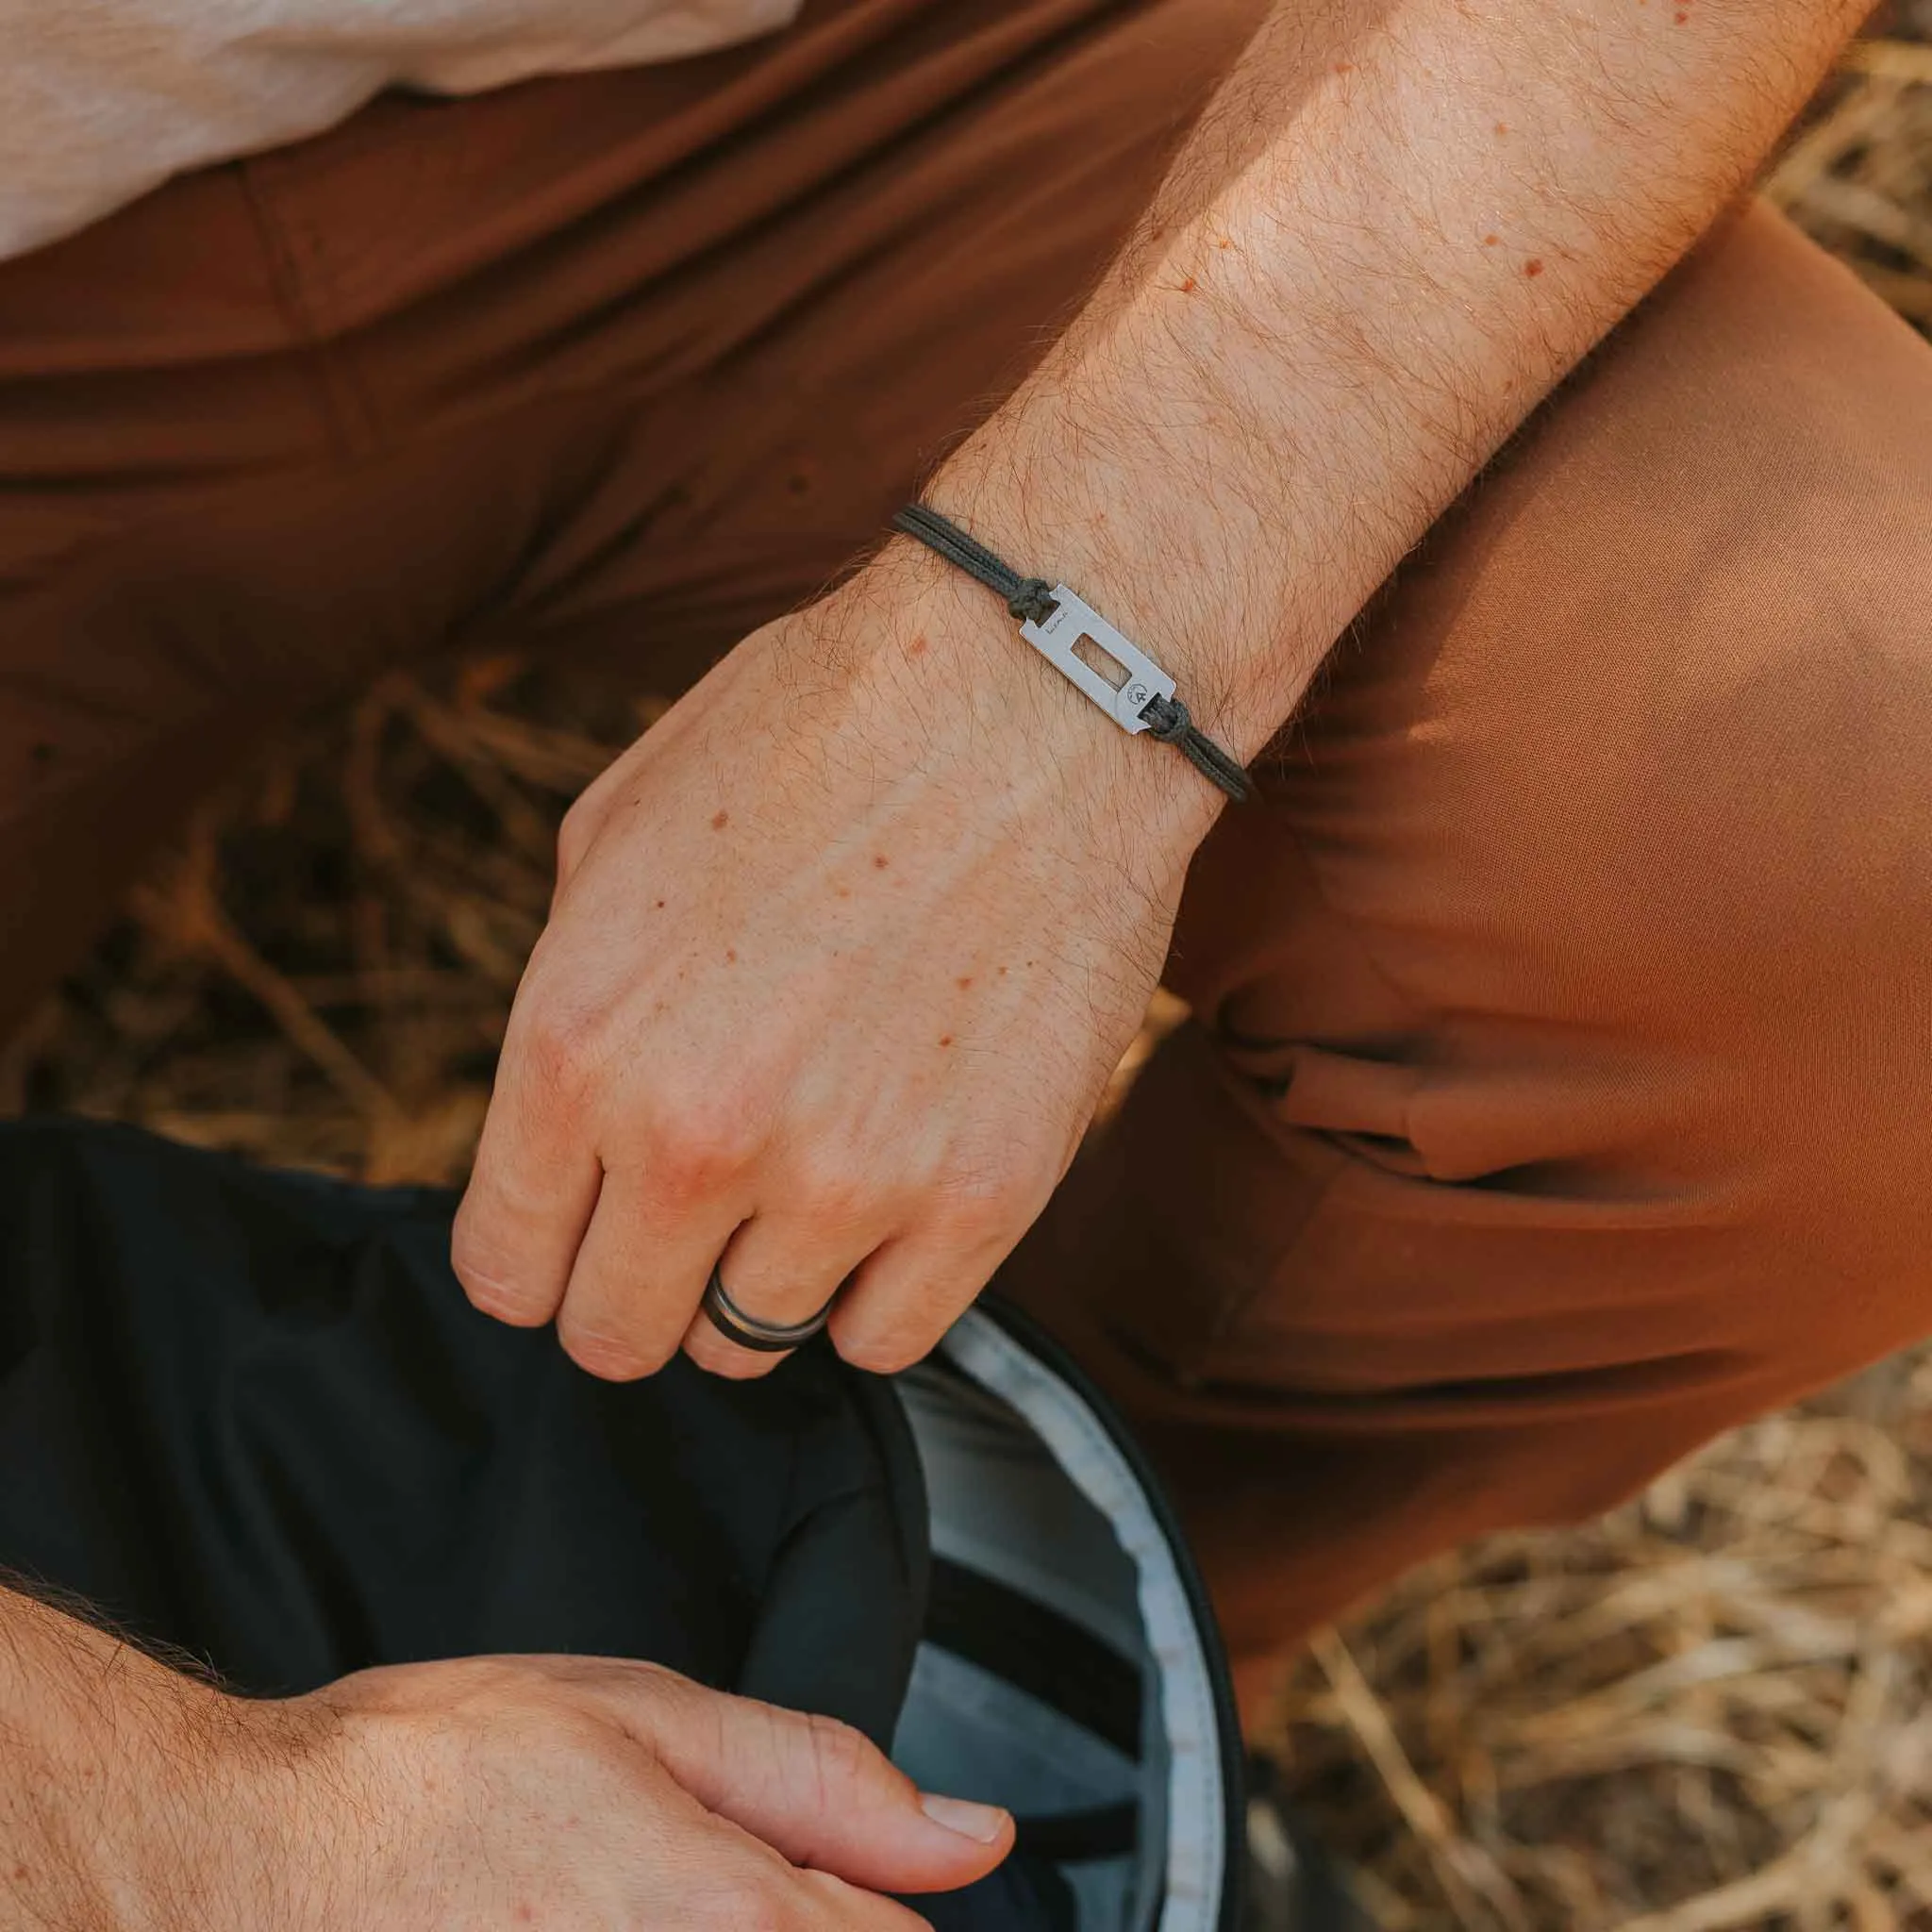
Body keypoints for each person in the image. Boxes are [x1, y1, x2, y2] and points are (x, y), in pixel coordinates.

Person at [3, 0, 1928, 1917]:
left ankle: (1044, 1663)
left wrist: (1082, 638)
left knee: (1849, 821)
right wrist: (210, 1819)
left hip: (852, 61)